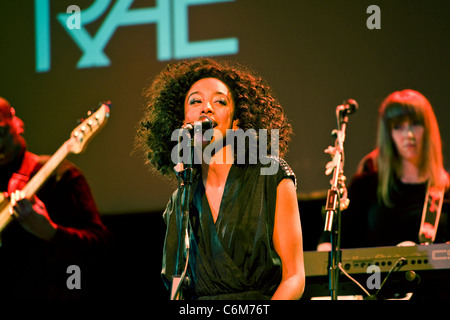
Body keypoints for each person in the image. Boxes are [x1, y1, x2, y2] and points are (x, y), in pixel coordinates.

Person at [136, 58, 305, 300]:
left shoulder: (271, 176)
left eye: (219, 101)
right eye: (195, 101)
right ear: (184, 123)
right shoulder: (180, 199)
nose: (206, 108)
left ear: (236, 124)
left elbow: (294, 277)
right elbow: (176, 287)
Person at [0, 97, 110, 299]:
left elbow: (99, 246)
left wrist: (51, 232)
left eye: (1, 132)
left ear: (18, 125)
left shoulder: (61, 174)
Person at [318, 89, 450, 250]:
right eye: (398, 127)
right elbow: (328, 243)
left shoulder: (445, 190)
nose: (408, 134)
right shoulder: (367, 184)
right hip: (374, 276)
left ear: (427, 130)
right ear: (388, 134)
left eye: (415, 124)